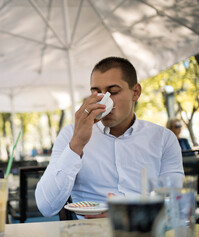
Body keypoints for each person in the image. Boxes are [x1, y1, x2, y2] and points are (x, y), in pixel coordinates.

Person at [35, 57, 184, 219]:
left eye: (112, 92)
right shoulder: (71, 135)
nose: (103, 102)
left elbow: (178, 202)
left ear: (135, 92)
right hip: (89, 233)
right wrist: (77, 143)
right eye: (96, 93)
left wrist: (127, 216)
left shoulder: (163, 139)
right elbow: (46, 207)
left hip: (145, 230)